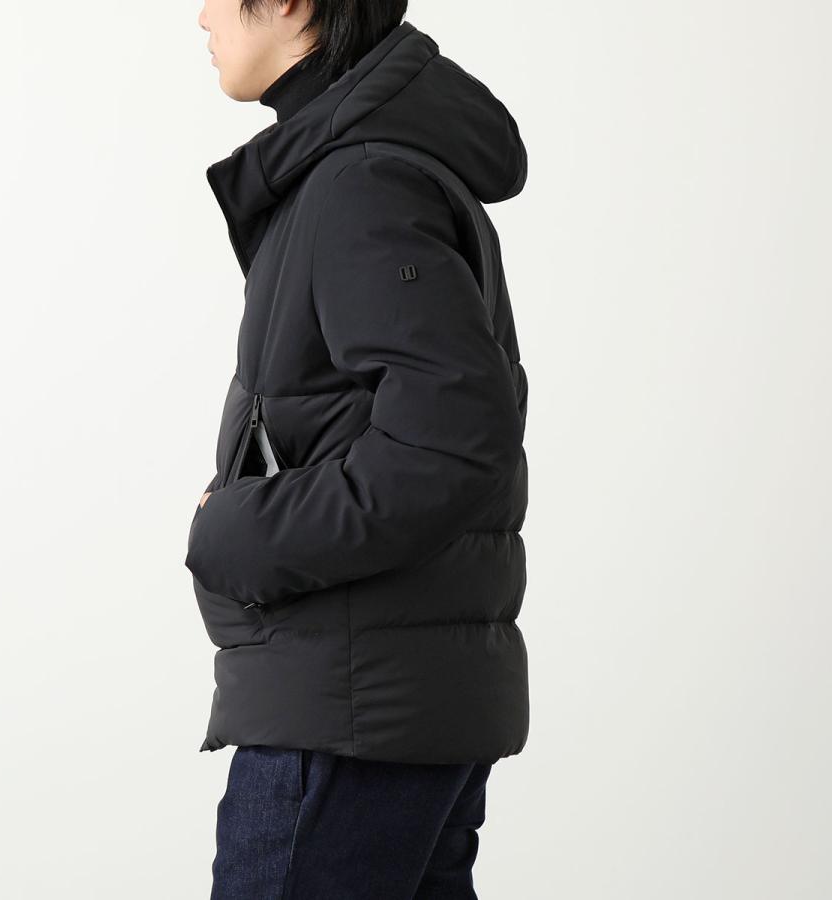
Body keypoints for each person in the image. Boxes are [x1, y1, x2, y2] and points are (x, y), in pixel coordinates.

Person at [189, 2, 530, 896]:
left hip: (346, 720)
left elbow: (452, 442)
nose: (201, 15)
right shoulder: (356, 168)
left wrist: (237, 530)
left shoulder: (362, 181)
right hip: (378, 704)